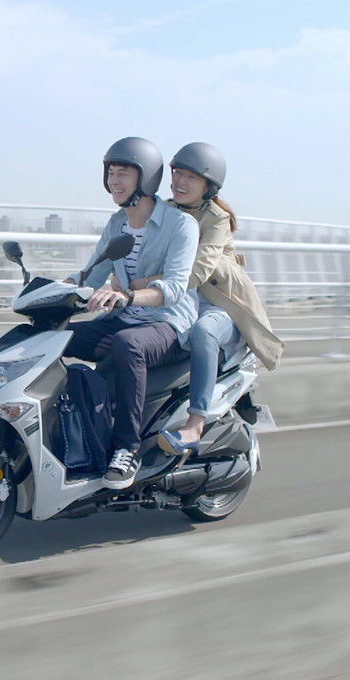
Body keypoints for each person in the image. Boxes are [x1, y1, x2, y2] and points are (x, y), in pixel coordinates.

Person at [64, 137, 199, 489]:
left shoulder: (181, 225)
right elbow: (92, 275)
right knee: (58, 337)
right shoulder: (116, 224)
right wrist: (52, 290)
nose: (115, 181)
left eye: (123, 172)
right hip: (124, 318)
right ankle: (71, 431)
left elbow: (175, 287)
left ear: (146, 177)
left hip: (168, 324)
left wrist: (128, 296)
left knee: (128, 344)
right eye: (111, 172)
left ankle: (127, 449)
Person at [157, 142, 284, 454]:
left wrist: (148, 287)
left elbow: (199, 269)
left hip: (220, 304)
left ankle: (194, 424)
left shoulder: (216, 218)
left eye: (191, 177)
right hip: (183, 300)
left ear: (208, 186)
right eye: (177, 173)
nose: (180, 182)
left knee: (202, 332)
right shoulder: (166, 210)